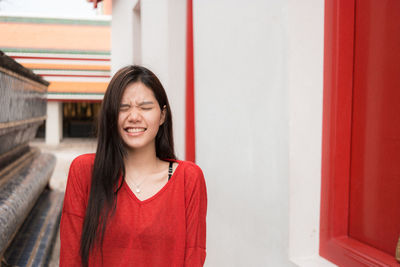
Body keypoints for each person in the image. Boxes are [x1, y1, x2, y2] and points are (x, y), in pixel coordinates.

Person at [59, 65, 207, 267]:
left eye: (145, 107)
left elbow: (194, 257)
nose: (134, 116)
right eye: (123, 108)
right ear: (111, 115)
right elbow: (70, 258)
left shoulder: (188, 179)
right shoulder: (85, 172)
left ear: (162, 115)